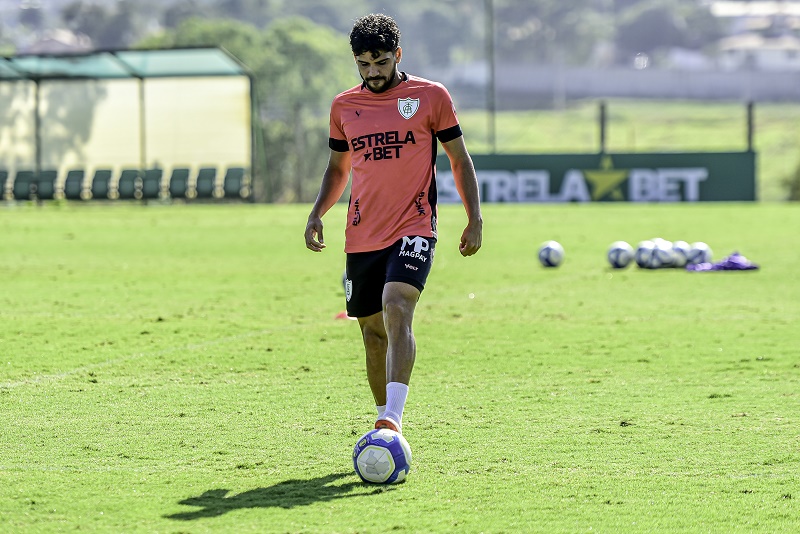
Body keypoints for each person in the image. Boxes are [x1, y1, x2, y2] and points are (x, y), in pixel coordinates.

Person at [304, 13, 482, 434]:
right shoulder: (343, 106)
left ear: (397, 55)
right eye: (363, 65)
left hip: (414, 227)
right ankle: (384, 425)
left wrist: (474, 218)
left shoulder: (430, 96)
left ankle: (393, 418)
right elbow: (337, 169)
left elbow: (459, 159)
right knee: (371, 334)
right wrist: (317, 212)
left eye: (381, 62)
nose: (373, 72)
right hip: (362, 233)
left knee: (397, 306)